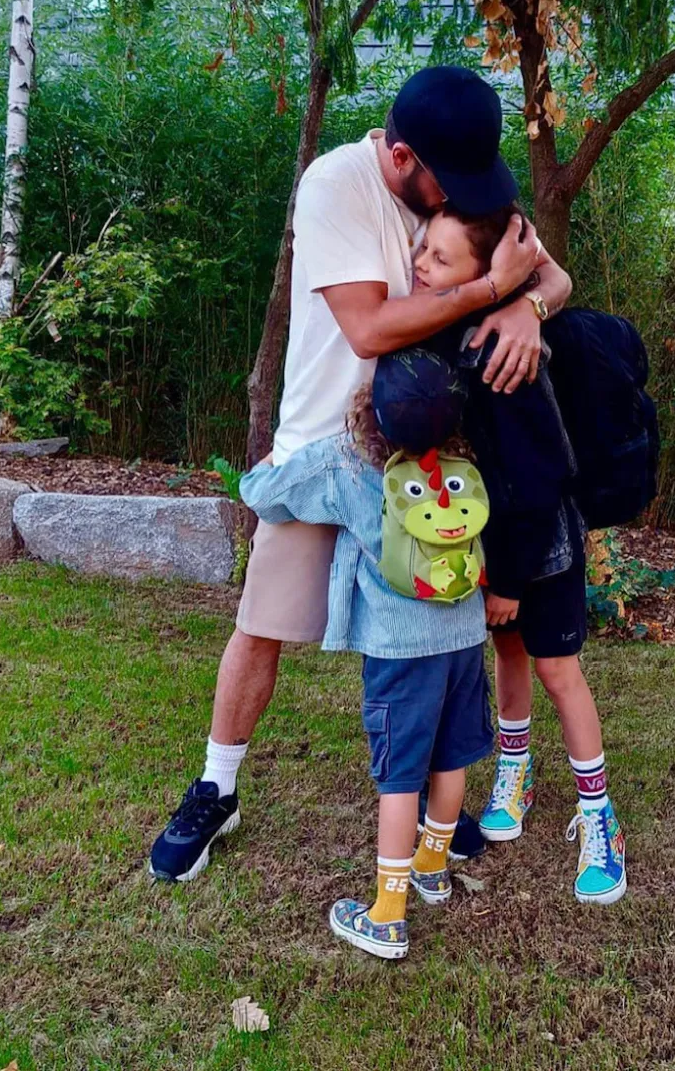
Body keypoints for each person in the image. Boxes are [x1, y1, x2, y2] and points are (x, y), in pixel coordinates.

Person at [149, 66, 572, 883]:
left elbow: (550, 273)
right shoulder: (335, 183)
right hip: (321, 449)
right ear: (404, 157)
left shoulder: (464, 185)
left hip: (428, 461)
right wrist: (490, 286)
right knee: (262, 624)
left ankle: (430, 812)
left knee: (441, 642)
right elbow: (371, 326)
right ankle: (217, 787)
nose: (470, 198)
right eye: (452, 183)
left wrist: (526, 306)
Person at [240, 349, 494, 960]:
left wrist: (266, 464)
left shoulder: (345, 463)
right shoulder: (464, 462)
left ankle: (385, 914)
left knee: (400, 775)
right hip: (463, 634)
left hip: (398, 647)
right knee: (452, 753)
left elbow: (265, 496)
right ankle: (432, 866)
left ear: (368, 406)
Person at [415, 206, 627, 905]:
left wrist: (507, 578)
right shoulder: (452, 336)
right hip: (493, 542)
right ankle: (516, 769)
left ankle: (600, 816)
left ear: (485, 274)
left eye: (441, 259)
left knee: (558, 669)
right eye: (423, 250)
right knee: (506, 655)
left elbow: (540, 477)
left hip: (544, 546)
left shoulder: (507, 355)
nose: (421, 265)